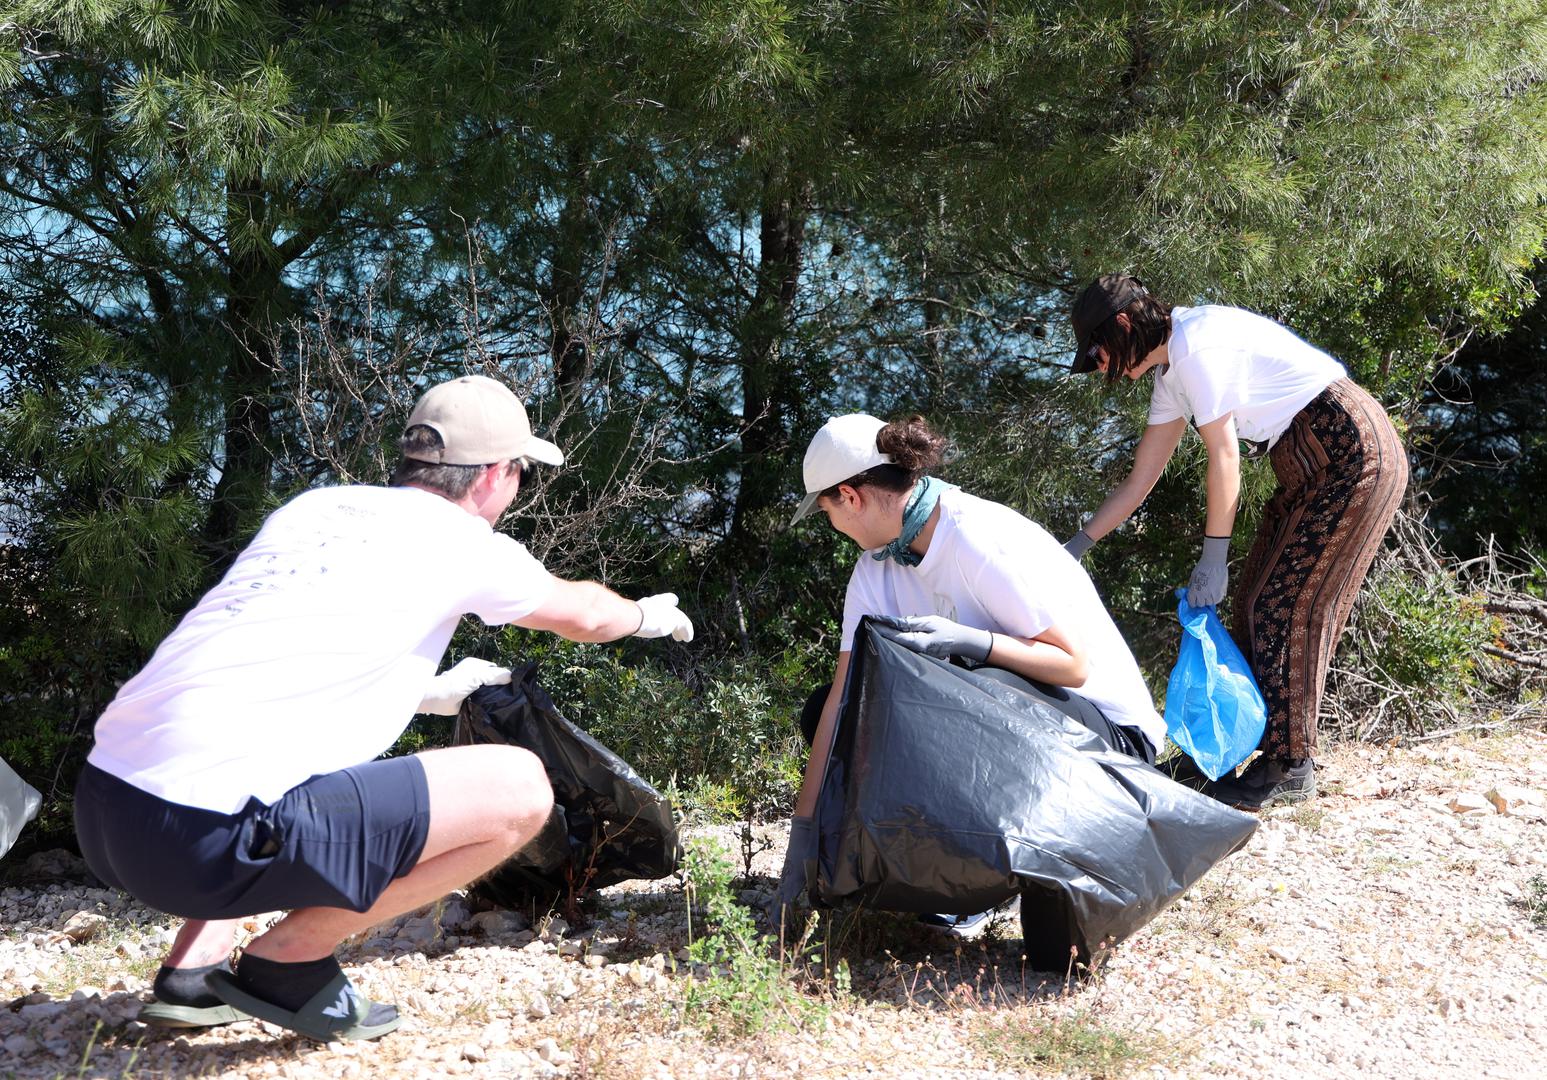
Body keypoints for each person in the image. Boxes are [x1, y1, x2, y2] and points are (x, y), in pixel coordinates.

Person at [73, 374, 694, 1041]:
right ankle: (288, 961)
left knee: (270, 773)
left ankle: (192, 978)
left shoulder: (314, 511)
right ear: (493, 475)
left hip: (106, 810)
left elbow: (267, 657)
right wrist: (645, 616)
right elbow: (586, 615)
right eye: (519, 471)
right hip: (196, 845)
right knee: (519, 790)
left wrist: (429, 690)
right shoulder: (465, 545)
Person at [778, 413, 1166, 925]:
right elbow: (840, 704)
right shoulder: (874, 568)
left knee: (975, 694)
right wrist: (801, 841)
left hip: (1110, 746)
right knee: (842, 710)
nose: (833, 526)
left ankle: (981, 886)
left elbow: (1072, 665)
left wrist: (975, 643)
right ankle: (939, 881)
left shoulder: (976, 535)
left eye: (826, 510)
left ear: (850, 497)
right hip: (1008, 728)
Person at [1064, 274, 1408, 809]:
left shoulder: (1197, 346)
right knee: (1254, 599)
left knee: (1287, 603)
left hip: (1351, 450)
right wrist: (1076, 548)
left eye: (1097, 352)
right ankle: (1237, 750)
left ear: (1124, 326)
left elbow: (1223, 456)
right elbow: (1139, 482)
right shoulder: (1173, 375)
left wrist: (1214, 554)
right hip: (1308, 460)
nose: (1102, 367)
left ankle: (1290, 765)